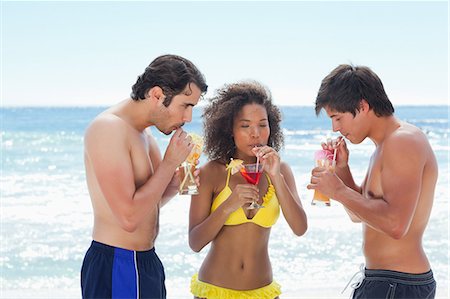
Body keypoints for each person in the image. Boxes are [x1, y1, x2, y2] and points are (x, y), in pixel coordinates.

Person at [81, 54, 207, 298]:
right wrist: (169, 163)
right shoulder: (108, 129)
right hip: (118, 262)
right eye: (185, 106)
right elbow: (128, 218)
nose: (188, 118)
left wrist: (172, 184)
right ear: (157, 95)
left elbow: (147, 204)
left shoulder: (145, 135)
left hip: (145, 262)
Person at [308, 64, 437, 298]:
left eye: (337, 118)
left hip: (397, 284)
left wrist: (337, 191)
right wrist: (343, 171)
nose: (335, 128)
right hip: (388, 282)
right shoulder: (385, 146)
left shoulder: (402, 142)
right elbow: (360, 215)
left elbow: (395, 224)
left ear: (362, 106)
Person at [189, 81, 308, 299]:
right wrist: (228, 207)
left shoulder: (281, 171)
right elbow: (195, 242)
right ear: (230, 130)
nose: (255, 134)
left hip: (264, 293)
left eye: (262, 125)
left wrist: (276, 178)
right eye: (245, 126)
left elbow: (300, 228)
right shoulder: (212, 172)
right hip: (214, 292)